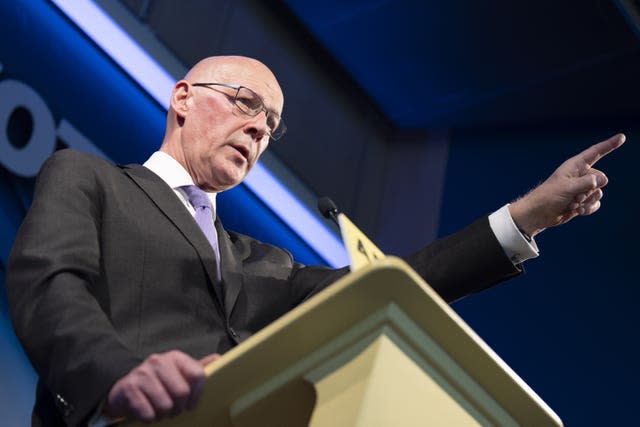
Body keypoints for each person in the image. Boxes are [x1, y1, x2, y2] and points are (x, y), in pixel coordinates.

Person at [6, 56, 625, 427]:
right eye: (246, 102)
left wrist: (525, 217)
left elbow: (398, 287)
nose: (258, 126)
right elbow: (49, 286)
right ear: (183, 99)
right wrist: (117, 377)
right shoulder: (90, 179)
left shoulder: (266, 265)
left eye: (270, 125)